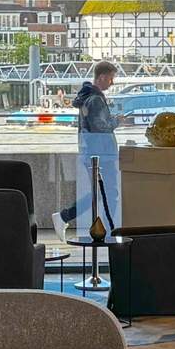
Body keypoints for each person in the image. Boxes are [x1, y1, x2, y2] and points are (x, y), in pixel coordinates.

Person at [52, 60, 121, 241]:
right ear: (102, 77)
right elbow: (101, 126)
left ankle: (67, 217)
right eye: (111, 79)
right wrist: (118, 121)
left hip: (89, 152)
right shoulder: (96, 99)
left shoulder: (86, 97)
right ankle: (108, 230)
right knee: (110, 193)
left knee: (100, 193)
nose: (112, 83)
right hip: (102, 153)